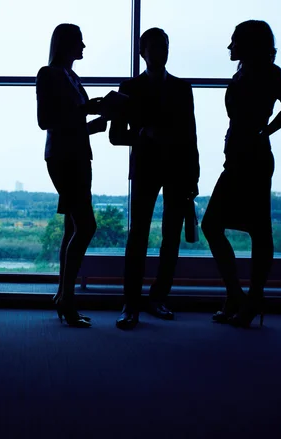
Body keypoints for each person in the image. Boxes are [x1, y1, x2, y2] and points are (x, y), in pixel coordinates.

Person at [202, 20, 281, 328]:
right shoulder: (245, 72)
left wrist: (265, 130)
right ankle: (242, 297)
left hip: (253, 159)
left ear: (247, 44)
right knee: (227, 226)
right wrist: (263, 131)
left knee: (238, 227)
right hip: (240, 158)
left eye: (234, 41)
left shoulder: (265, 74)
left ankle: (247, 297)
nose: (229, 47)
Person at [109, 28, 199, 330]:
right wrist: (145, 133)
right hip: (150, 167)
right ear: (142, 52)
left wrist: (193, 174)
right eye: (158, 46)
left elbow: (191, 135)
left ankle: (151, 300)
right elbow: (116, 135)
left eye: (165, 46)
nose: (163, 51)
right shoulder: (130, 87)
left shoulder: (180, 88)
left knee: (167, 236)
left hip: (172, 169)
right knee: (140, 236)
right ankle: (134, 303)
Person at [36, 23, 107, 328]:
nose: (84, 47)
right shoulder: (49, 74)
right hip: (65, 157)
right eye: (79, 41)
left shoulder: (71, 77)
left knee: (72, 228)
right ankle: (67, 298)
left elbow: (73, 124)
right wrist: (85, 111)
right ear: (65, 44)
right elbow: (45, 121)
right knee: (86, 226)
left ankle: (62, 295)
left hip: (77, 154)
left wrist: (100, 117)